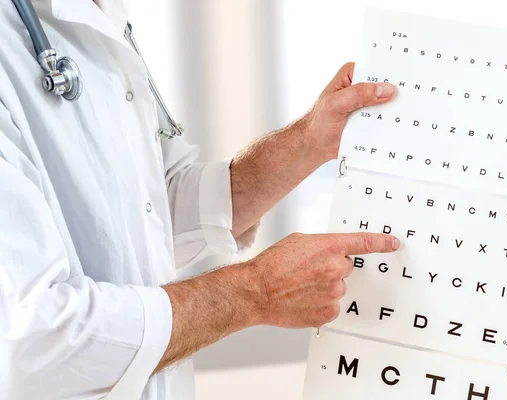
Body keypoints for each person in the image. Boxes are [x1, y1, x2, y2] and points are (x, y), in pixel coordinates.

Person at [0, 0, 399, 399]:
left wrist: (308, 141)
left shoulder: (104, 14)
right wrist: (257, 290)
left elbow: (150, 213)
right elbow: (36, 338)